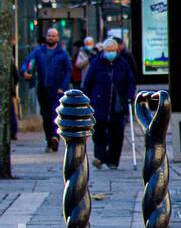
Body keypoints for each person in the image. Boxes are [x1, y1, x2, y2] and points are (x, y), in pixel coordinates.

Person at [81, 37, 136, 169]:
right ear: (103, 51)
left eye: (113, 50)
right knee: (99, 132)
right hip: (100, 103)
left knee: (117, 133)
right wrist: (86, 99)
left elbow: (130, 81)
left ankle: (112, 160)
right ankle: (100, 157)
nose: (110, 53)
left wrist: (129, 96)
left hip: (117, 104)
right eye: (108, 51)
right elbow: (88, 82)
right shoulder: (96, 63)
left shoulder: (122, 63)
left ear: (116, 50)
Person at [22, 27, 72, 152]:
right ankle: (49, 140)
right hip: (42, 88)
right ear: (46, 37)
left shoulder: (62, 53)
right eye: (49, 35)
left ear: (57, 38)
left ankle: (55, 137)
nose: (51, 38)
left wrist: (63, 86)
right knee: (45, 115)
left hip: (57, 90)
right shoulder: (39, 51)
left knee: (55, 114)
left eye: (53, 36)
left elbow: (68, 70)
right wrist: (25, 71)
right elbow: (28, 62)